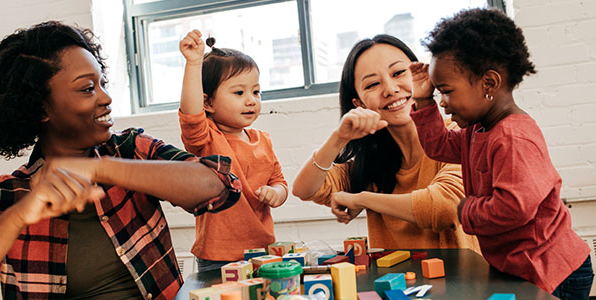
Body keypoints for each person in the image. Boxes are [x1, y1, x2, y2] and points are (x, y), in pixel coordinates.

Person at [0, 21, 241, 300]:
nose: (106, 98)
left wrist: (101, 167)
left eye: (102, 83)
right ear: (40, 108)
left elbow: (220, 185)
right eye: (88, 88)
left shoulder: (129, 150)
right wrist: (18, 216)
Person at [409, 8, 593, 299]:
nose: (442, 102)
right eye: (438, 93)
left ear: (489, 84)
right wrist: (422, 99)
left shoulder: (513, 138)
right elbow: (439, 146)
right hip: (521, 267)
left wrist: (464, 209)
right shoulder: (477, 130)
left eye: (446, 91)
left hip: (553, 270)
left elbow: (513, 208)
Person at [292, 34, 479, 251]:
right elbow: (304, 189)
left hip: (463, 283)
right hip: (395, 285)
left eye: (399, 73)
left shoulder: (457, 136)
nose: (390, 89)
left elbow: (446, 207)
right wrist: (339, 138)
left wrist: (362, 199)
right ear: (359, 103)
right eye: (372, 84)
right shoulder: (370, 163)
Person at [178, 30, 288, 271]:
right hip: (218, 256)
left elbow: (280, 182)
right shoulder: (206, 139)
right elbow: (191, 114)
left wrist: (276, 193)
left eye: (256, 92)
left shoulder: (263, 140)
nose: (251, 100)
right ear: (208, 103)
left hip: (263, 251)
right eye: (239, 92)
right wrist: (194, 63)